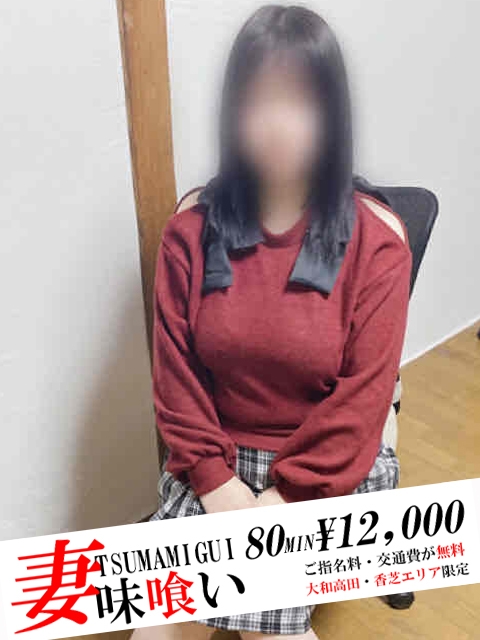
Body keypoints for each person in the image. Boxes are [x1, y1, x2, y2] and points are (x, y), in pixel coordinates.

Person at [132, 5, 411, 640]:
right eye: (258, 100)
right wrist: (218, 486)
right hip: (215, 461)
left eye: (300, 101)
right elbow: (176, 383)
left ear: (332, 114)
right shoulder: (189, 235)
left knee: (267, 630)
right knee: (155, 628)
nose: (278, 123)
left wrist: (285, 501)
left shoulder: (377, 244)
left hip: (328, 466)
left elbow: (363, 403)